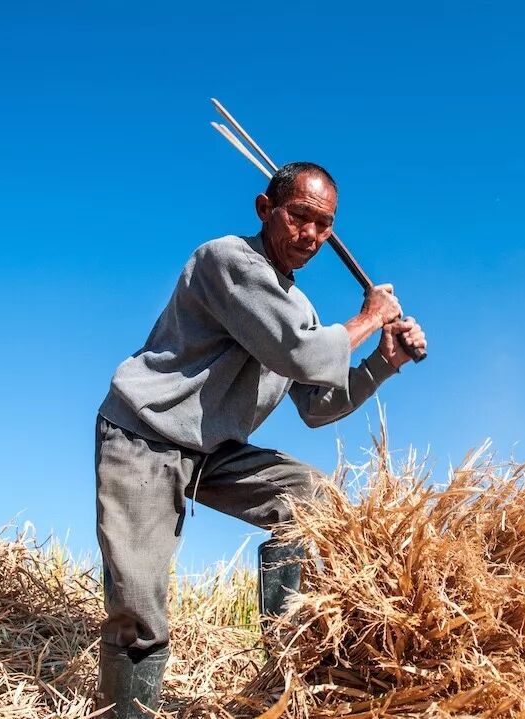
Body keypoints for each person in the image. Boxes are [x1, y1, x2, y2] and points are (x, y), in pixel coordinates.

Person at [93, 162, 427, 718]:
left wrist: (383, 362)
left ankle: (283, 680)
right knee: (139, 608)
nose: (312, 236)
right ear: (264, 209)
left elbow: (319, 406)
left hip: (211, 449)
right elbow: (300, 352)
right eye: (299, 217)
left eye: (324, 225)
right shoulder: (227, 261)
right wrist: (370, 317)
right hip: (144, 435)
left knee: (312, 501)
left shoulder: (302, 310)